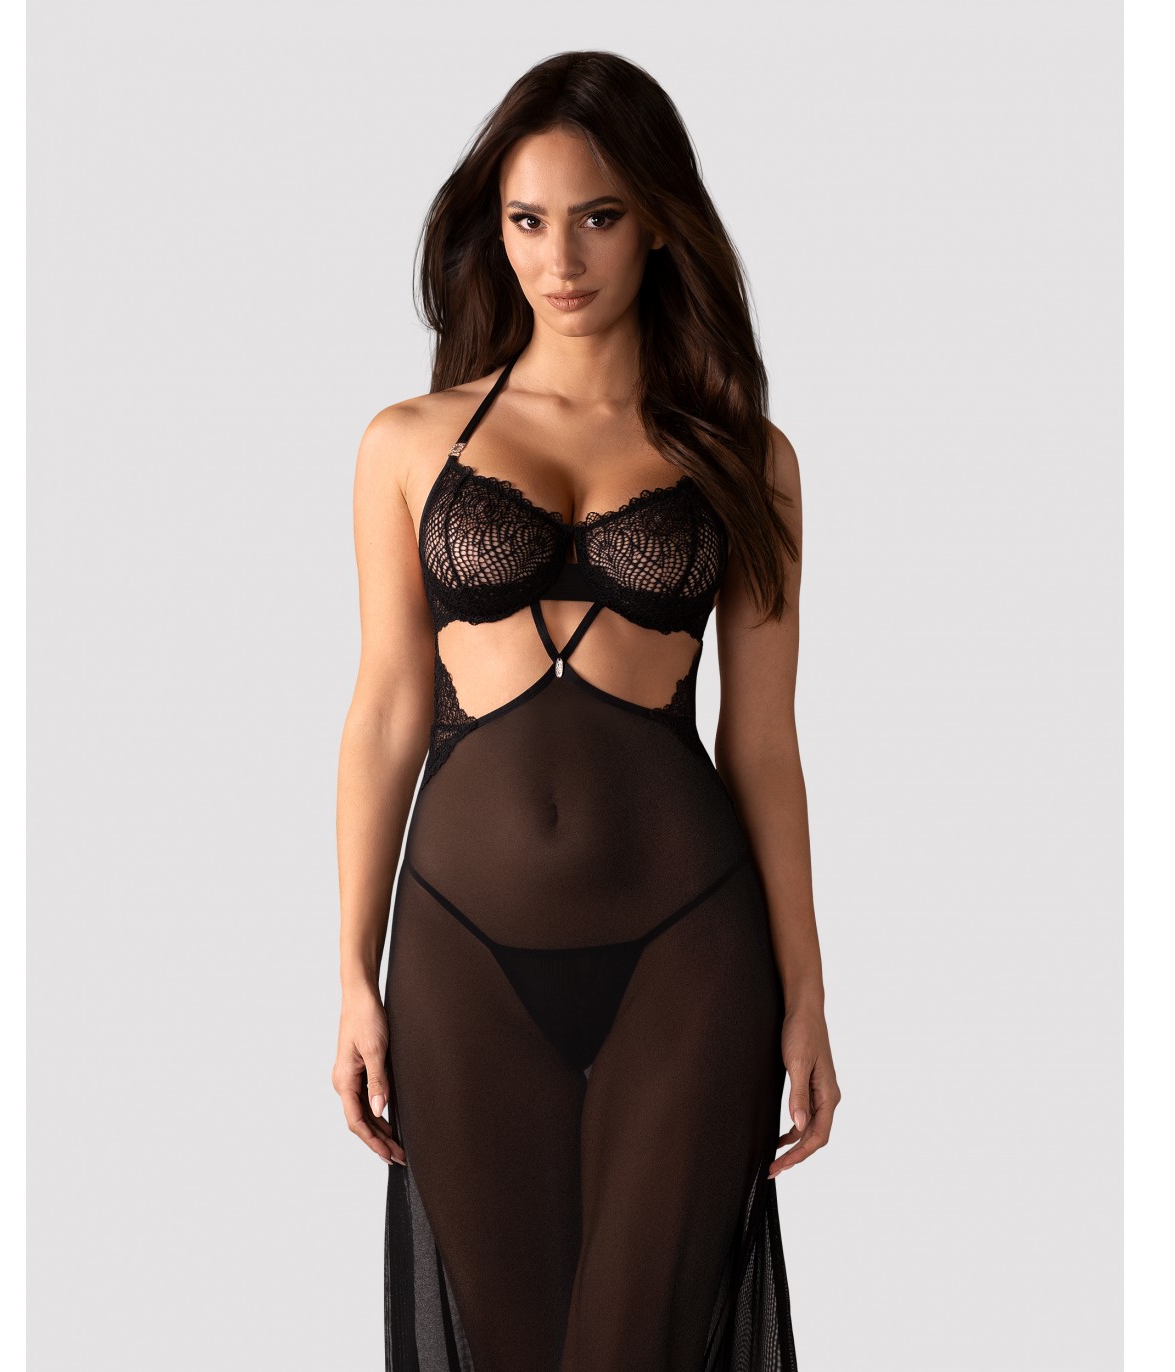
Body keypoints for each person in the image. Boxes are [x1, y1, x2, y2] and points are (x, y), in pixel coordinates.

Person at [333, 49, 840, 1371]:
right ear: (494, 230)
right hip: (459, 952)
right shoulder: (407, 442)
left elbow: (764, 745)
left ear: (659, 222)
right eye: (528, 220)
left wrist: (807, 991)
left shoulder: (746, 458)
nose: (560, 258)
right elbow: (386, 712)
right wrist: (348, 975)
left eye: (599, 217)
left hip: (691, 952)